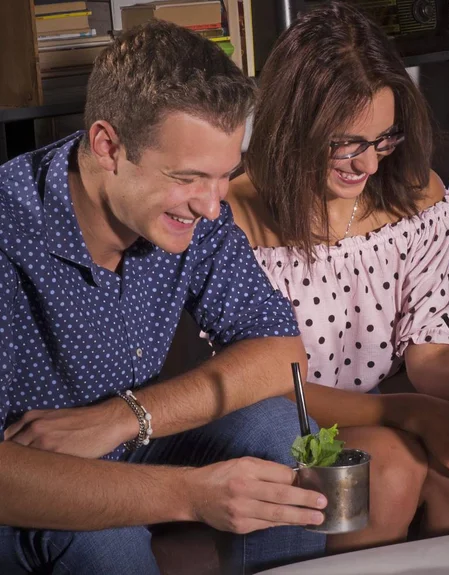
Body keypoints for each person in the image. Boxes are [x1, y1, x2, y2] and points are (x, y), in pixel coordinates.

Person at [227, 1, 449, 553]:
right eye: (347, 143)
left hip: (394, 401)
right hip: (289, 416)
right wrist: (410, 412)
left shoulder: (415, 195)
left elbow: (429, 346)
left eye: (383, 140)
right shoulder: (235, 219)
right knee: (388, 468)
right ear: (293, 125)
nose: (369, 166)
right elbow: (267, 389)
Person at [0, 21, 331, 575]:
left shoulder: (199, 213)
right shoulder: (8, 234)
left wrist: (125, 417)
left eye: (226, 175)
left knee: (286, 433)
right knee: (108, 544)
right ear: (108, 145)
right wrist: (191, 494)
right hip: (26, 479)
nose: (211, 205)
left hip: (125, 438)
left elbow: (281, 352)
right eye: (188, 178)